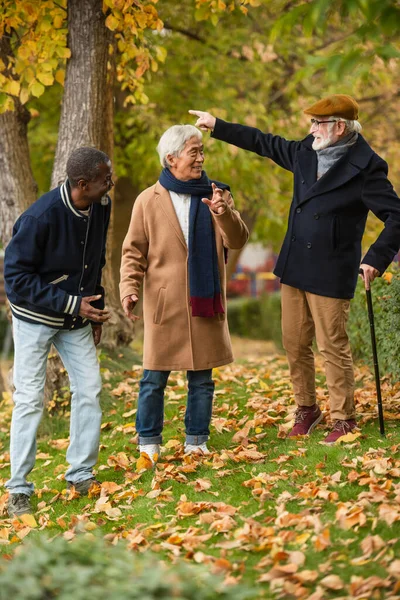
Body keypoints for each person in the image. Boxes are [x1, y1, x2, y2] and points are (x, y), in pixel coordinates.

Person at [190, 95, 400, 444]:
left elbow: (396, 216)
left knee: (332, 345)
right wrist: (218, 125)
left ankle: (343, 417)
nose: (311, 129)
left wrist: (375, 258)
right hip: (294, 264)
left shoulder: (367, 167)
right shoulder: (306, 151)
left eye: (318, 123)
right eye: (312, 123)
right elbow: (265, 143)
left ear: (339, 127)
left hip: (332, 268)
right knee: (294, 342)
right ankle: (307, 408)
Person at [120, 124, 248, 467]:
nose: (201, 158)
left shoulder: (217, 193)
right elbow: (133, 252)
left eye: (202, 151)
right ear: (171, 158)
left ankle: (197, 441)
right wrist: (129, 288)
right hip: (166, 303)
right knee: (153, 377)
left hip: (205, 299)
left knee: (202, 378)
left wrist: (223, 214)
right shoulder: (148, 199)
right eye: (194, 152)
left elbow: (237, 240)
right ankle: (148, 443)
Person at [4, 147, 113, 516]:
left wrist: (94, 310)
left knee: (90, 389)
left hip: (77, 317)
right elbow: (15, 279)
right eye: (104, 180)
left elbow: (95, 259)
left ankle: (80, 474)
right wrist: (71, 304)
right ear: (82, 184)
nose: (109, 185)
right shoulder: (40, 218)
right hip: (33, 318)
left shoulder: (101, 206)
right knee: (30, 399)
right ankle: (18, 488)